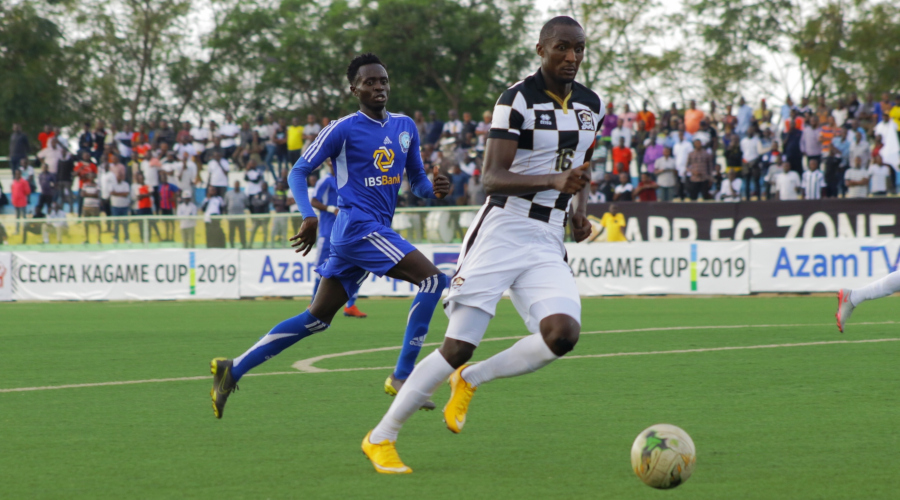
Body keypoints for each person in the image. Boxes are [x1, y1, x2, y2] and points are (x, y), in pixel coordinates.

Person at [362, 17, 600, 473]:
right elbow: (492, 178)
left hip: (547, 236)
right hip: (502, 231)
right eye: (562, 48)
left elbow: (581, 164)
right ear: (541, 49)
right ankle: (381, 437)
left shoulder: (591, 105)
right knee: (458, 345)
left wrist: (576, 209)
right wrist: (555, 180)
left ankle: (469, 381)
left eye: (579, 50)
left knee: (562, 334)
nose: (571, 57)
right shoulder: (516, 100)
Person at [209, 53, 452, 421]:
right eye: (369, 82)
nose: (378, 87)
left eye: (383, 81)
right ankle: (403, 377)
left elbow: (417, 181)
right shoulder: (342, 129)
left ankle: (233, 369)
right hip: (358, 227)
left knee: (316, 318)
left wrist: (435, 189)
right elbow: (298, 171)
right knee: (434, 280)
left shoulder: (405, 127)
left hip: (367, 231)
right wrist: (308, 215)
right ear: (354, 89)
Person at [310, 167, 367, 318]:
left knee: (358, 268)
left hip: (348, 233)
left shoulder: (349, 179)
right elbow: (313, 200)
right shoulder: (326, 181)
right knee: (322, 270)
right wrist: (331, 208)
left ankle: (350, 306)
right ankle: (313, 304)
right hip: (327, 233)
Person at [224, 180, 249, 248]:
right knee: (232, 232)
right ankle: (232, 245)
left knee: (242, 232)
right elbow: (225, 204)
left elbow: (246, 204)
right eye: (236, 184)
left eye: (238, 184)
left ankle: (243, 245)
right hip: (231, 217)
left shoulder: (243, 194)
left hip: (240, 216)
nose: (237, 186)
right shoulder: (228, 194)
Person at [157, 171, 180, 240]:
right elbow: (160, 196)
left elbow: (179, 191)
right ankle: (167, 237)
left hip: (170, 207)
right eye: (162, 178)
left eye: (164, 178)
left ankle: (172, 236)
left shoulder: (171, 186)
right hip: (163, 207)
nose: (163, 179)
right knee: (166, 223)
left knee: (171, 223)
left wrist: (174, 198)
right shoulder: (160, 187)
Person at [248, 181, 272, 248]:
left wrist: (259, 202)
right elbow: (253, 202)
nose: (263, 187)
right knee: (253, 231)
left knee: (265, 232)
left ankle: (264, 245)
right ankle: (250, 245)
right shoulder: (258, 194)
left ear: (267, 186)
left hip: (264, 217)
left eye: (264, 185)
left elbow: (264, 203)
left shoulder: (268, 194)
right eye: (262, 185)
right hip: (257, 216)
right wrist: (260, 202)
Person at [81, 173, 102, 244]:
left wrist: (87, 194)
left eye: (92, 176)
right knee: (86, 223)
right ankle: (86, 239)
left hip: (95, 206)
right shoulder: (85, 185)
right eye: (90, 176)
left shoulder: (97, 185)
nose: (91, 178)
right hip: (86, 206)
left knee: (97, 223)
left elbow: (97, 195)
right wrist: (92, 195)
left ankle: (98, 239)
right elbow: (82, 194)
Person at [11, 169, 31, 234]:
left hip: (22, 202)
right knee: (17, 217)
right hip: (16, 203)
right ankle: (17, 230)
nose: (17, 175)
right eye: (16, 174)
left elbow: (27, 191)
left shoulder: (24, 182)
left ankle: (25, 230)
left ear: (20, 174)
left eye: (18, 174)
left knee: (24, 217)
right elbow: (13, 191)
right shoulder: (14, 182)